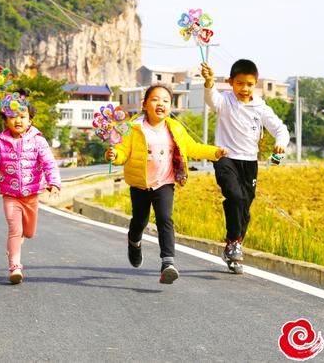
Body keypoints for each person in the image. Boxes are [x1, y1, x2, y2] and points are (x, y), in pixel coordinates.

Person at [105, 85, 228, 284]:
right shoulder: (131, 127)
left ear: (170, 106)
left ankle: (167, 264)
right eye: (154, 99)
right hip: (140, 184)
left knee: (165, 218)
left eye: (165, 101)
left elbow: (192, 148)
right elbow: (121, 151)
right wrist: (114, 155)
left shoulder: (175, 128)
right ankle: (134, 242)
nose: (160, 103)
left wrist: (215, 152)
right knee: (140, 221)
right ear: (144, 104)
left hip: (165, 182)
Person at [201, 59, 289, 274]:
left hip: (249, 162)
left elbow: (280, 129)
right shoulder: (225, 102)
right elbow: (212, 100)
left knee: (245, 209)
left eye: (249, 84)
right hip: (225, 157)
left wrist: (280, 144)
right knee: (235, 196)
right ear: (231, 82)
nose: (244, 89)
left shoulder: (260, 107)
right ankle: (233, 245)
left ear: (255, 84)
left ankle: (234, 244)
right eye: (240, 84)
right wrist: (209, 82)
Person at [0, 89, 61, 284]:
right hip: (10, 194)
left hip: (31, 195)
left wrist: (54, 182)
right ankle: (15, 267)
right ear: (6, 121)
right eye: (13, 117)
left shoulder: (38, 140)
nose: (18, 120)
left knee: (29, 232)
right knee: (14, 229)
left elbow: (49, 163)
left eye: (22, 116)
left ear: (30, 120)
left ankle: (18, 241)